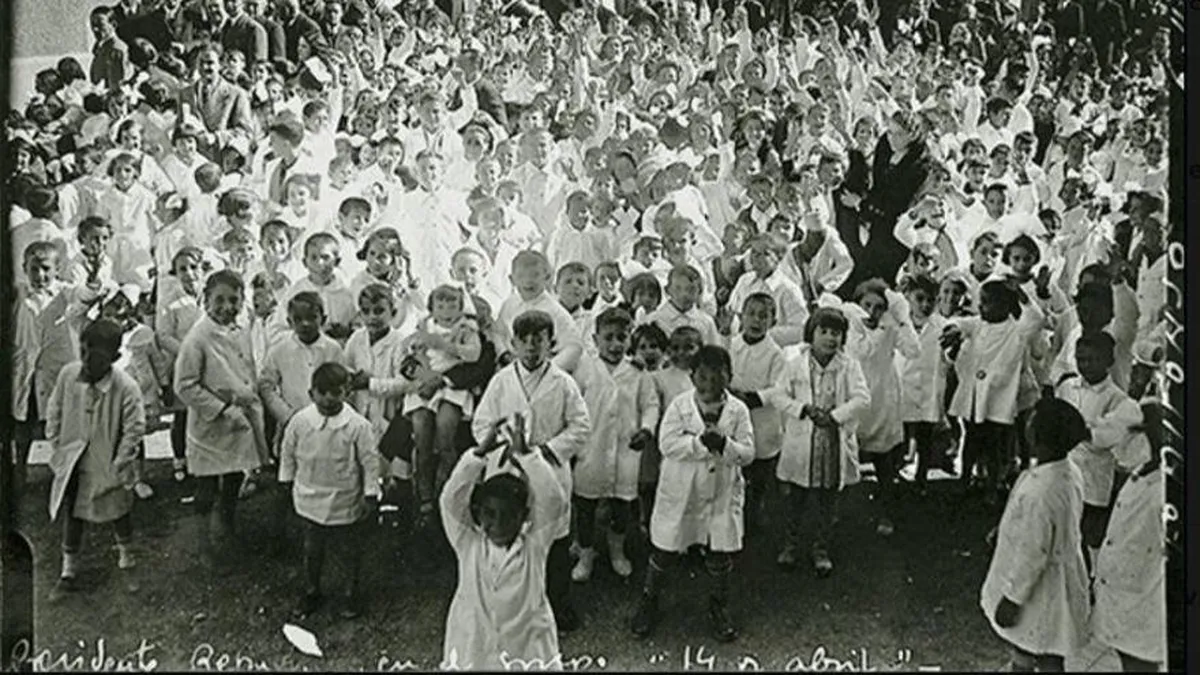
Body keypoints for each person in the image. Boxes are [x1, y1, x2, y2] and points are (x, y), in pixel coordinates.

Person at [471, 309, 590, 634]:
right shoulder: (501, 381)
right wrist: (503, 444)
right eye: (523, 341)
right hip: (508, 469)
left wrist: (548, 450)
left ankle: (558, 603)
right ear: (513, 344)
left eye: (539, 340)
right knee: (512, 536)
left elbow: (581, 426)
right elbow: (481, 423)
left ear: (551, 344)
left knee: (553, 539)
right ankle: (513, 603)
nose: (531, 347)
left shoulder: (563, 383)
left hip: (549, 469)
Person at [631, 344, 754, 643]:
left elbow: (748, 453)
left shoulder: (738, 410)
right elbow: (667, 444)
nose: (709, 383)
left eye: (718, 376)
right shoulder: (679, 406)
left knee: (719, 552)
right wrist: (699, 444)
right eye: (703, 376)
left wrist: (724, 445)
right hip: (682, 492)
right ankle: (649, 600)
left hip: (720, 493)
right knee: (666, 548)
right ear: (692, 377)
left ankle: (718, 606)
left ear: (729, 376)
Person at [439, 412, 568, 669]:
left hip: (526, 648)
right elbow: (450, 500)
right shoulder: (468, 543)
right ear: (477, 513)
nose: (497, 523)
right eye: (489, 514)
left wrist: (528, 456)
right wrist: (478, 455)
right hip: (474, 646)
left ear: (524, 516)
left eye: (508, 516)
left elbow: (554, 501)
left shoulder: (534, 546)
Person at [979, 397, 1090, 673]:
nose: (1025, 424)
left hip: (1038, 587)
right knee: (1043, 643)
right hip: (1059, 576)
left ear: (1040, 438)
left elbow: (1033, 554)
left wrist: (1012, 598)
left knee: (1044, 647)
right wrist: (1004, 529)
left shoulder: (1040, 493)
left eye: (1031, 421)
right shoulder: (1069, 471)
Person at [45, 318, 146, 602]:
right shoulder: (69, 376)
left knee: (118, 511)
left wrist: (120, 462)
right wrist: (58, 447)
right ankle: (68, 572)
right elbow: (54, 410)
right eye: (83, 350)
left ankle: (127, 559)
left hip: (107, 459)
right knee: (73, 510)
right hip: (74, 460)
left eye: (97, 356)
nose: (87, 360)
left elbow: (134, 427)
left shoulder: (126, 387)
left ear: (114, 357)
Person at [174, 270, 270, 563]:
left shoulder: (241, 329)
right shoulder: (198, 338)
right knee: (206, 485)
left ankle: (227, 529)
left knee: (233, 476)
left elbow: (246, 366)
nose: (227, 307)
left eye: (234, 300)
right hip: (210, 424)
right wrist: (220, 408)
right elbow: (185, 385)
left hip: (239, 421)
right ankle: (203, 543)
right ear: (205, 300)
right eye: (219, 300)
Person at [766, 307, 870, 576]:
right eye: (823, 331)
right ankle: (790, 545)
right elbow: (778, 395)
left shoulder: (849, 366)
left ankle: (821, 548)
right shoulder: (794, 364)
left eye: (836, 333)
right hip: (803, 443)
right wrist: (803, 409)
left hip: (832, 442)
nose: (830, 338)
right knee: (796, 498)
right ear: (810, 334)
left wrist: (835, 416)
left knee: (828, 500)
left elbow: (862, 398)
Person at [279, 361, 383, 619]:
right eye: (322, 392)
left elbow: (370, 462)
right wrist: (286, 481)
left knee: (348, 549)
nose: (328, 398)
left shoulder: (358, 426)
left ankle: (350, 593)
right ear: (311, 393)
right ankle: (312, 590)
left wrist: (370, 494)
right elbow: (288, 453)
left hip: (344, 497)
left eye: (335, 392)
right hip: (309, 496)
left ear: (347, 393)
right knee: (312, 547)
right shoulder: (300, 422)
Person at [570, 307, 659, 582]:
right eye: (608, 337)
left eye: (622, 337)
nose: (615, 344)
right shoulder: (585, 369)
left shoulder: (637, 372)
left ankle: (617, 550)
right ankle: (586, 553)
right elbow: (571, 404)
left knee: (622, 505)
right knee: (585, 505)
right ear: (595, 339)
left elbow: (650, 404)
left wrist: (646, 429)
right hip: (591, 450)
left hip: (625, 451)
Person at [727, 292, 786, 535]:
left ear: (773, 322)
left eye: (763, 316)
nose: (756, 320)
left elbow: (780, 387)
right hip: (735, 414)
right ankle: (734, 511)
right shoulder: (732, 344)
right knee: (736, 464)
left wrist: (754, 398)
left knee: (760, 466)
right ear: (742, 316)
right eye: (751, 314)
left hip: (762, 419)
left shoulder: (775, 353)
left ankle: (757, 507)